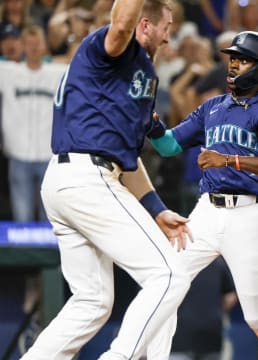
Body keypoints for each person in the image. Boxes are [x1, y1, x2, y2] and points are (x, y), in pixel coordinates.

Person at [20, 1, 193, 359]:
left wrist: (157, 210)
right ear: (145, 25)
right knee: (169, 274)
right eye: (166, 27)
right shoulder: (111, 48)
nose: (168, 38)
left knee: (93, 301)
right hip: (88, 179)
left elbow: (126, 156)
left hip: (73, 178)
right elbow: (120, 24)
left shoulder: (138, 74)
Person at [150, 31, 258, 360]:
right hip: (208, 209)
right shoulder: (212, 108)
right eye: (232, 58)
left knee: (257, 313)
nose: (233, 65)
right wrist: (153, 127)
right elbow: (169, 146)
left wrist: (231, 160)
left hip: (251, 213)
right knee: (164, 282)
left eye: (242, 59)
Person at [0, 24, 67, 221]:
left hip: (49, 157)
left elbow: (84, 66)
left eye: (37, 44)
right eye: (29, 44)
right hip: (18, 156)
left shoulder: (57, 73)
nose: (33, 48)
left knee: (50, 221)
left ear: (44, 46)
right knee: (22, 221)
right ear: (22, 46)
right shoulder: (8, 72)